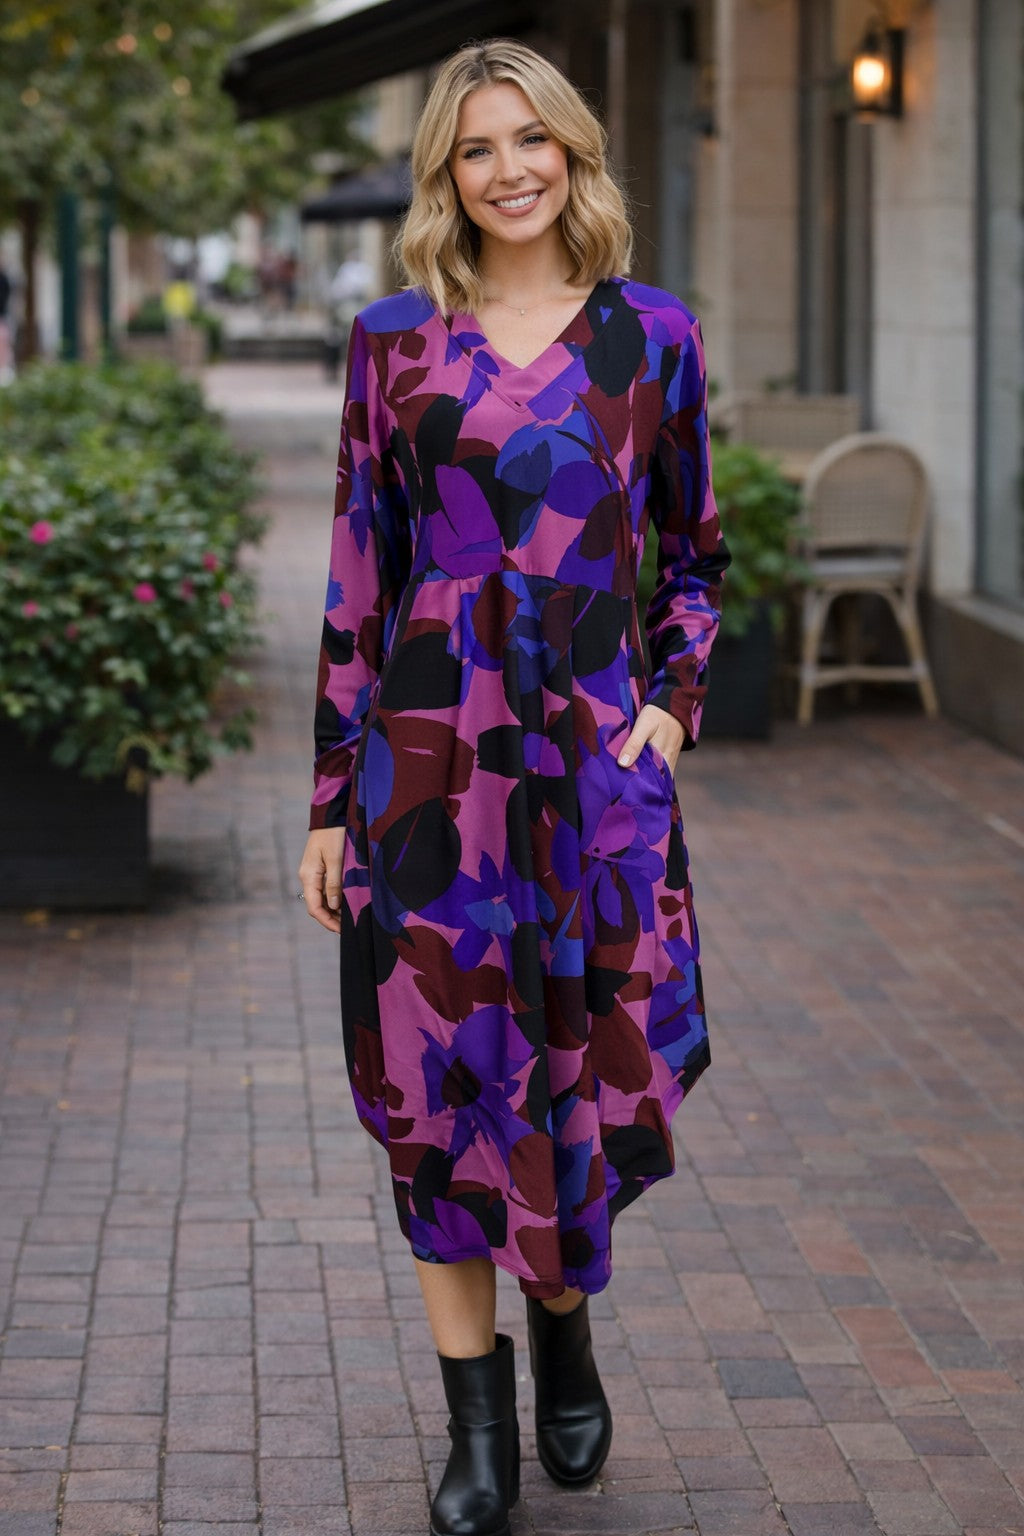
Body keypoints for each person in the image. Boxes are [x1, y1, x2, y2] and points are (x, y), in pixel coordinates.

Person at [298, 37, 728, 1536]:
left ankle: (565, 1332)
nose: (509, 170)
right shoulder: (395, 346)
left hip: (594, 787)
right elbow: (362, 578)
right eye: (478, 148)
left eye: (531, 140)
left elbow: (697, 564)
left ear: (574, 153)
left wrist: (668, 719)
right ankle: (475, 1426)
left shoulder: (649, 339)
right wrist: (328, 800)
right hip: (429, 783)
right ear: (447, 175)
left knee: (569, 1076)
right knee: (437, 1091)